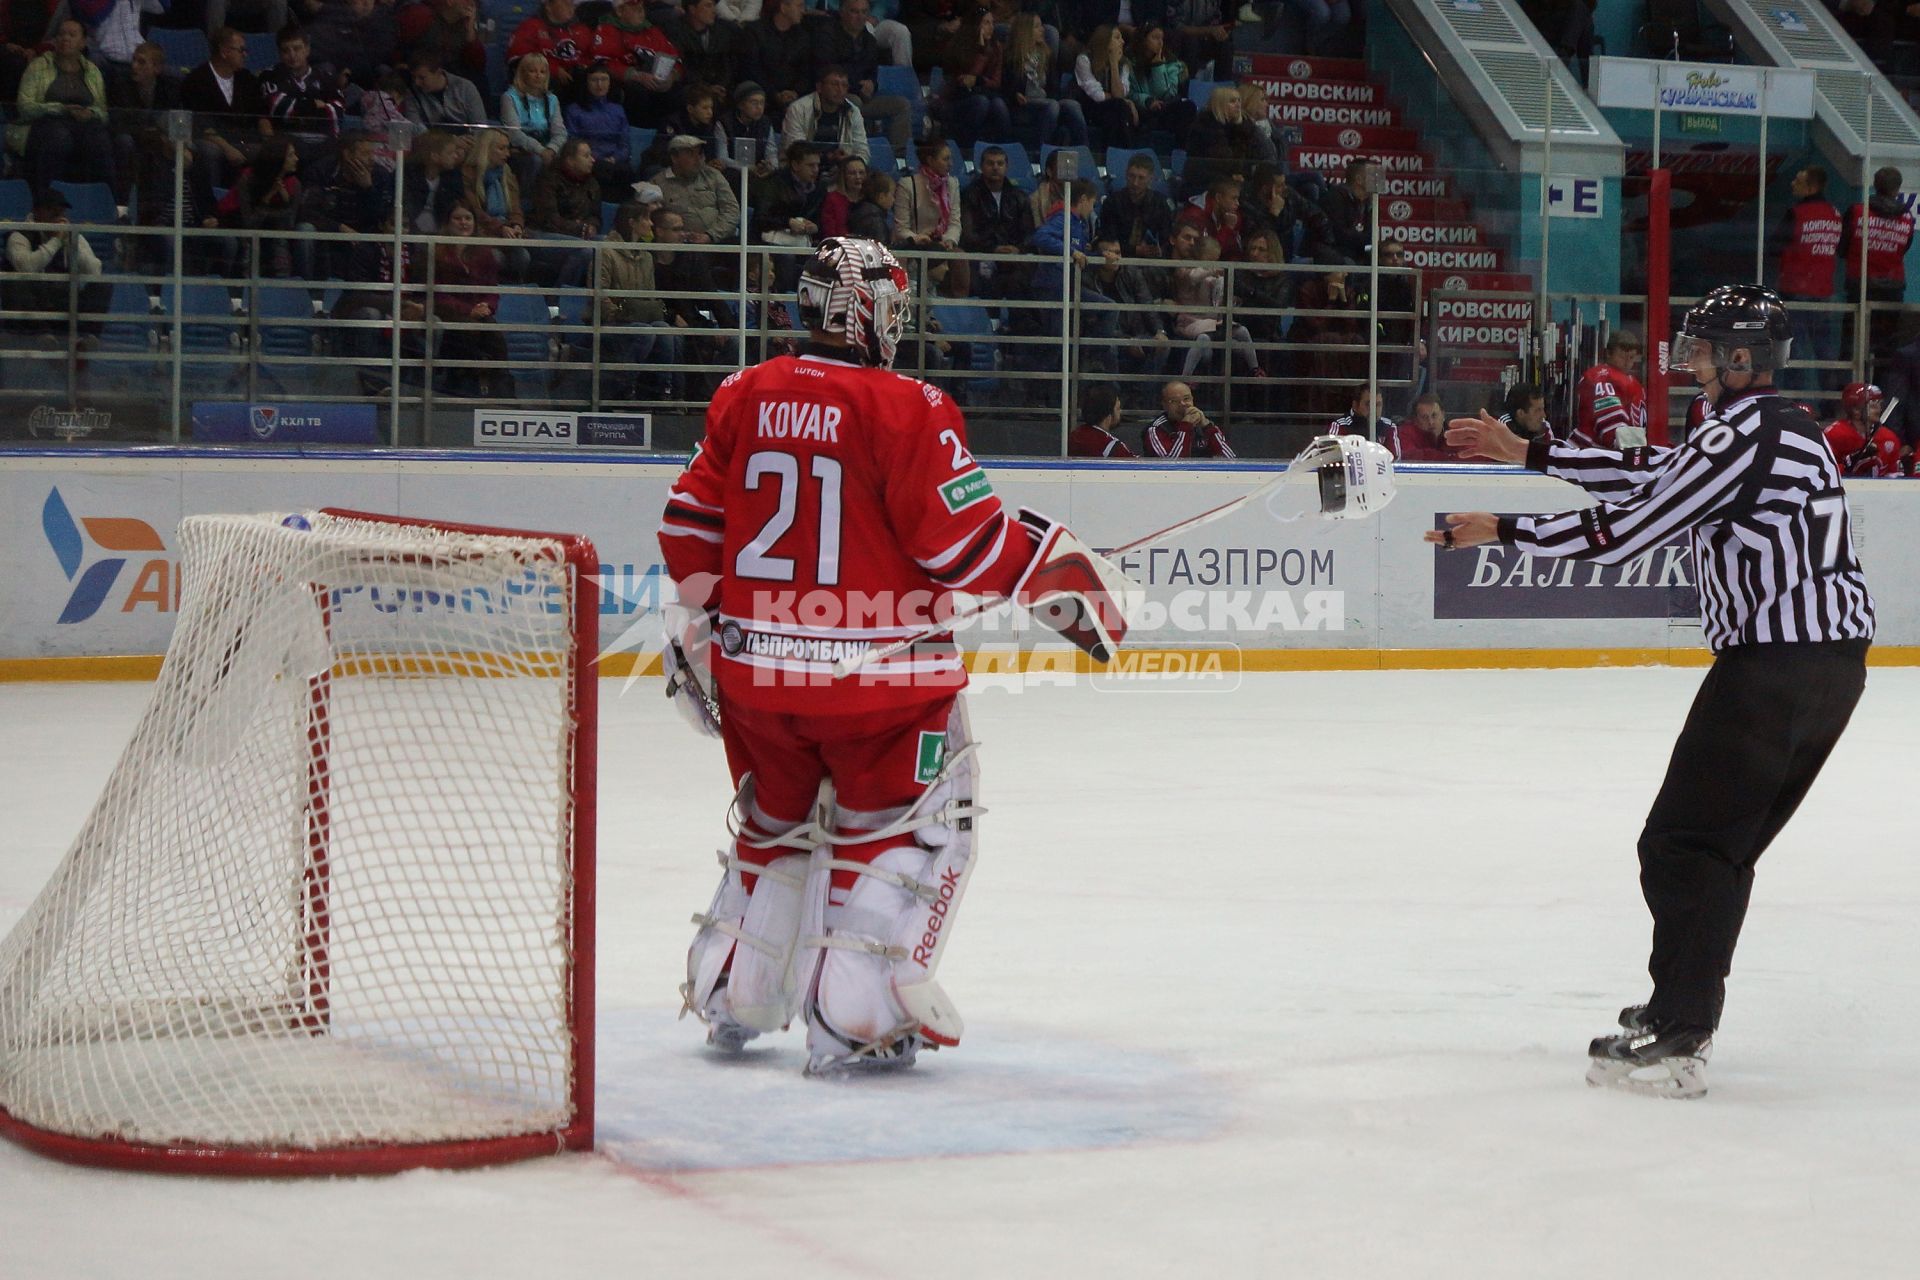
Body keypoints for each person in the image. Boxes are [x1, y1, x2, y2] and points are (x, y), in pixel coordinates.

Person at [658, 235, 1129, 1076]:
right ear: (866, 313)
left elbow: (688, 529)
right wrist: (1064, 574)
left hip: (758, 681)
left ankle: (733, 990)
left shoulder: (742, 392)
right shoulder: (908, 406)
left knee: (777, 823)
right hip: (879, 684)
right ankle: (858, 1016)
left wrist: (707, 627)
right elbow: (965, 547)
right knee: (912, 828)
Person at [1429, 284, 1875, 1099]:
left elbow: (1637, 522)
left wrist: (1507, 527)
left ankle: (1680, 1036)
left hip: (1778, 666)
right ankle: (1680, 1007)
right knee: (1714, 848)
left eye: (1704, 347)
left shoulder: (1742, 433)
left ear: (1743, 358)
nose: (1689, 358)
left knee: (1684, 846)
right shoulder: (1779, 425)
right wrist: (1534, 453)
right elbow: (1655, 468)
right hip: (1825, 665)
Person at [11, 19, 114, 197]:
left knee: (100, 140)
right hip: (43, 126)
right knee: (59, 136)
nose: (65, 38)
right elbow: (24, 107)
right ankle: (46, 201)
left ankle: (107, 201)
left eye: (72, 35)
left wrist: (90, 113)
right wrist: (60, 109)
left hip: (82, 127)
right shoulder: (38, 66)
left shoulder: (93, 71)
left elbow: (103, 111)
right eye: (61, 34)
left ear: (83, 42)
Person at [598, 199, 684, 399]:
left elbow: (650, 297)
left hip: (639, 319)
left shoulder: (646, 257)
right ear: (631, 222)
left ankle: (658, 392)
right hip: (610, 321)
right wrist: (618, 314)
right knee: (644, 331)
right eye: (646, 218)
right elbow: (599, 293)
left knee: (663, 329)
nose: (651, 223)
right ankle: (621, 388)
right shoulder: (606, 252)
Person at [3, 187, 105, 343]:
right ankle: (43, 335)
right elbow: (27, 268)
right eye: (52, 211)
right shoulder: (19, 236)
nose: (58, 217)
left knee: (103, 285)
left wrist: (71, 243)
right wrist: (55, 241)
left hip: (61, 302)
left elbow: (94, 271)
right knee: (15, 281)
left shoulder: (71, 235)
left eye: (61, 212)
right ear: (37, 212)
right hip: (31, 308)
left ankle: (87, 337)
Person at [811, 0, 913, 155]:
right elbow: (829, 71)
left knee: (902, 105)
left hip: (863, 96)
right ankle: (855, 153)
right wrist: (858, 86)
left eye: (864, 12)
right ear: (842, 12)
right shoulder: (827, 36)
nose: (860, 17)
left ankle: (900, 156)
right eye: (854, 11)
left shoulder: (870, 41)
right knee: (854, 102)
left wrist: (872, 84)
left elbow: (873, 72)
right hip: (836, 96)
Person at [1840, 165, 1916, 374]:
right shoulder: (1907, 219)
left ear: (1875, 185)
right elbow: (1903, 249)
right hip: (1892, 290)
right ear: (1897, 188)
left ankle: (1847, 395)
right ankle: (1882, 396)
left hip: (1861, 286)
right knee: (1886, 349)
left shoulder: (1857, 212)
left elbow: (1842, 247)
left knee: (1852, 346)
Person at [1772, 165, 1841, 392]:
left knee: (1797, 353)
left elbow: (1774, 246)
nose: (1793, 183)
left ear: (1811, 186)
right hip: (1825, 292)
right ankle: (1830, 404)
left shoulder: (1796, 214)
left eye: (1798, 179)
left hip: (1796, 291)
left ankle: (1796, 401)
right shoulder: (1835, 214)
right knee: (1826, 354)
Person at [430, 202, 508, 398]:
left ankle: (503, 392)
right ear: (447, 223)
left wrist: (487, 306)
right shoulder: (435, 251)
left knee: (493, 333)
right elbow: (436, 293)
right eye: (458, 218)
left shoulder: (484, 252)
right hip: (446, 311)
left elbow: (491, 289)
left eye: (468, 218)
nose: (463, 223)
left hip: (478, 313)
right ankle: (461, 385)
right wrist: (467, 310)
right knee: (467, 331)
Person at [959, 144, 1035, 297]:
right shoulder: (969, 195)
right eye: (990, 163)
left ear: (1007, 167)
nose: (995, 167)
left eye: (1000, 163)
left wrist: (1017, 249)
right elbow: (968, 235)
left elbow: (1029, 233)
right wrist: (993, 249)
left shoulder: (1020, 196)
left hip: (1014, 256)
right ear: (981, 166)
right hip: (981, 255)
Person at [593, 0, 682, 126]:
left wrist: (671, 76)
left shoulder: (652, 30)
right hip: (629, 83)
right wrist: (635, 75)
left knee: (679, 93)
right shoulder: (607, 30)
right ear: (620, 11)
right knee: (638, 92)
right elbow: (603, 62)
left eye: (642, 7)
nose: (641, 12)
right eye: (635, 8)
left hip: (655, 80)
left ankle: (668, 133)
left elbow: (674, 58)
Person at [1003, 12, 1085, 147]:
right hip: (1024, 105)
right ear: (1025, 31)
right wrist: (1015, 95)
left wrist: (1055, 98)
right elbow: (1005, 86)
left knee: (1073, 106)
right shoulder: (1012, 56)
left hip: (1046, 100)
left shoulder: (1047, 55)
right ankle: (1041, 150)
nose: (1043, 30)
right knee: (1052, 106)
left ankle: (1083, 151)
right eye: (1037, 27)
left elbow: (1054, 87)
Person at [260, 26, 345, 154]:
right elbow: (278, 108)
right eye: (286, 50)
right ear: (279, 53)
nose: (292, 55)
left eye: (297, 48)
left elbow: (338, 109)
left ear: (307, 49)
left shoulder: (325, 76)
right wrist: (315, 105)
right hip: (287, 144)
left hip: (323, 142)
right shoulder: (270, 75)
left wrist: (298, 110)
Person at [781, 66, 872, 175]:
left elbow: (862, 150)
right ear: (819, 87)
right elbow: (795, 149)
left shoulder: (852, 111)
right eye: (834, 84)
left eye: (844, 85)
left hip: (839, 172)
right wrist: (825, 158)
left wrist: (849, 160)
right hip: (804, 171)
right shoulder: (799, 108)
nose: (840, 90)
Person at [939, 7, 1007, 148]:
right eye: (986, 23)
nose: (991, 27)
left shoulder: (996, 47)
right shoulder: (958, 46)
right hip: (957, 98)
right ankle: (967, 148)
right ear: (975, 25)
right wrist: (981, 51)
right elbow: (965, 81)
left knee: (999, 105)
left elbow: (996, 82)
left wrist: (979, 81)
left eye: (992, 23)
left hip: (984, 93)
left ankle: (1004, 148)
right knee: (981, 103)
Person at [500, 52, 569, 189]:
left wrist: (551, 149)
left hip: (548, 147)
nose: (538, 75)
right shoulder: (509, 97)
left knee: (572, 158)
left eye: (542, 72)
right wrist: (540, 150)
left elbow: (560, 132)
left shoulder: (552, 99)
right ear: (522, 73)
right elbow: (514, 133)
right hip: (520, 149)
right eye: (532, 71)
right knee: (535, 161)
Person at [658, 131, 742, 244]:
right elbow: (658, 223)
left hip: (719, 240)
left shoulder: (713, 175)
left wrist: (711, 235)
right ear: (674, 158)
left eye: (700, 153)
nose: (698, 159)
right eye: (690, 154)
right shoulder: (658, 183)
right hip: (683, 245)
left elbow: (732, 210)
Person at [567, 63, 636, 193]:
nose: (599, 84)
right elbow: (573, 140)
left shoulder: (618, 110)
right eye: (594, 80)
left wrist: (614, 158)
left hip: (615, 161)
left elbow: (625, 143)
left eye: (604, 80)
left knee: (627, 173)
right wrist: (595, 158)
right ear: (586, 83)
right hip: (589, 160)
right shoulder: (574, 110)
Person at [1574, 328, 1648, 449]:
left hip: (1623, 454)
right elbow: (1612, 427)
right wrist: (1628, 453)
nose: (1626, 363)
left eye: (1631, 357)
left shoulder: (1634, 384)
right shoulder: (1600, 376)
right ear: (1608, 353)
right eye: (1622, 356)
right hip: (1597, 455)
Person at [1128, 24, 1197, 144]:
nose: (1160, 42)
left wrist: (1158, 66)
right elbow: (1130, 92)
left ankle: (1182, 153)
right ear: (1143, 40)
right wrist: (1148, 101)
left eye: (1162, 39)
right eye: (1155, 38)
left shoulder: (1172, 63)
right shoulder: (1129, 63)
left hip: (1164, 108)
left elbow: (1167, 94)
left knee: (1188, 106)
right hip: (1141, 109)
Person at [511, 0, 598, 95]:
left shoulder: (581, 29)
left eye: (572, 3)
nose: (571, 7)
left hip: (576, 80)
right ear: (548, 6)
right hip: (547, 81)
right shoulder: (531, 27)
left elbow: (591, 55)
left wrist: (584, 66)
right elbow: (520, 59)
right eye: (565, 3)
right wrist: (554, 70)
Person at [894, 129, 961, 250]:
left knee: (959, 257)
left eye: (950, 159)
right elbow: (901, 228)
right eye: (945, 159)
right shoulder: (907, 184)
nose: (950, 164)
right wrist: (917, 238)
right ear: (930, 161)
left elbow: (955, 223)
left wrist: (949, 240)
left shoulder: (953, 183)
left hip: (943, 243)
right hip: (916, 244)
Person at [1100, 152, 1176, 258]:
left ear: (1151, 178)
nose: (1135, 183)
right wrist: (1134, 250)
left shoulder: (1160, 203)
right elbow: (1106, 240)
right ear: (1126, 174)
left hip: (1152, 263)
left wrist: (1159, 250)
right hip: (1118, 260)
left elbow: (1167, 239)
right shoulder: (1113, 202)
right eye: (1132, 176)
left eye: (1141, 178)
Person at [1072, 23, 1135, 148]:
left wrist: (1113, 64)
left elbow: (1119, 95)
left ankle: (1115, 152)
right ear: (1105, 41)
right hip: (1089, 107)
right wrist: (1125, 101)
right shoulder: (1084, 59)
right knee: (1121, 107)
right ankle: (1124, 151)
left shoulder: (1123, 64)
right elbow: (1098, 96)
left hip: (1112, 110)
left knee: (1118, 110)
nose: (1122, 41)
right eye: (1117, 38)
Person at [1823, 380, 1905, 477]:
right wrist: (1848, 463)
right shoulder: (1834, 434)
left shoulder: (1889, 438)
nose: (1879, 409)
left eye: (1879, 404)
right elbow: (1824, 472)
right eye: (1873, 405)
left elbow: (1896, 476)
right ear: (1856, 410)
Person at [394, 0, 483, 87]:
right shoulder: (421, 16)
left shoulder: (464, 25)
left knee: (479, 80)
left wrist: (470, 33)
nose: (472, 3)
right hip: (419, 76)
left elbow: (477, 65)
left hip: (450, 81)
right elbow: (397, 46)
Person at [1144, 379, 1235, 456]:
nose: (1182, 404)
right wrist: (1186, 427)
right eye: (1174, 401)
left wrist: (1208, 427)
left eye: (1186, 399)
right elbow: (1172, 466)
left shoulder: (1206, 425)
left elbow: (1229, 459)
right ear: (1164, 405)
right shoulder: (1156, 429)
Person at [402, 53, 488, 132]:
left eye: (422, 78)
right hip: (433, 144)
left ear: (438, 72)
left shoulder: (466, 88)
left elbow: (480, 126)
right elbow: (415, 129)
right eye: (414, 77)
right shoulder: (412, 94)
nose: (416, 82)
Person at [1318, 156, 1377, 266]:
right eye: (1374, 175)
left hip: (1356, 251)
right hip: (1333, 252)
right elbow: (1338, 234)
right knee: (1350, 263)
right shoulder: (1334, 197)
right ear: (1359, 179)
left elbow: (1369, 235)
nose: (1378, 179)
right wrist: (1363, 242)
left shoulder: (1369, 201)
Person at [1070, 383, 1135, 457]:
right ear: (1108, 415)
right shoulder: (1114, 447)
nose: (1120, 412)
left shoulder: (1074, 436)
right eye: (1118, 408)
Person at [1390, 393, 1457, 462]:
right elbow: (1409, 457)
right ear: (1416, 420)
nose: (1431, 422)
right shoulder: (1405, 433)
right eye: (1424, 417)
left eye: (1434, 415)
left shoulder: (1454, 433)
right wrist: (1448, 457)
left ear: (1443, 415)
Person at [819, 154, 869, 240]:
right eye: (852, 173)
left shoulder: (870, 199)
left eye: (861, 173)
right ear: (843, 176)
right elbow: (829, 232)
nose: (858, 177)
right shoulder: (832, 200)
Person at [1327, 383, 1392, 442]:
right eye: (1368, 404)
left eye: (1378, 405)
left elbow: (1394, 455)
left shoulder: (1389, 426)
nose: (1374, 410)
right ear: (1355, 405)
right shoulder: (1340, 426)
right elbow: (1331, 453)